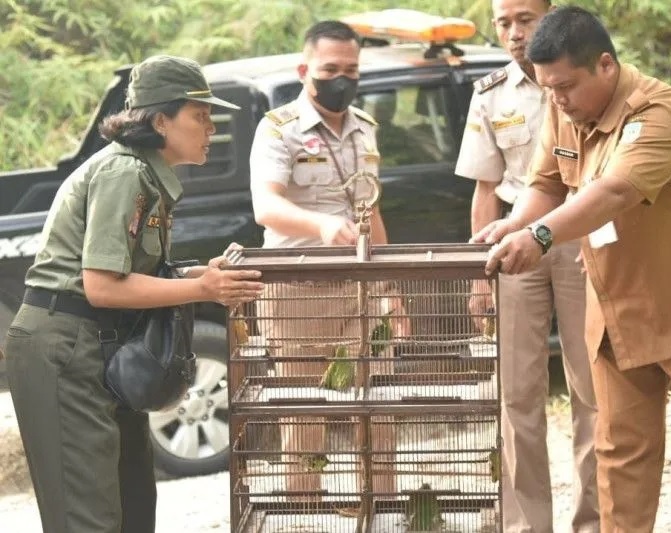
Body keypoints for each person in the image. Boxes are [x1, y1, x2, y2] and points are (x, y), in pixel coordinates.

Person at [475, 6, 671, 532]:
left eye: (565, 86)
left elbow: (616, 190)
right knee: (619, 458)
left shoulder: (660, 111)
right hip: (617, 314)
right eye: (547, 88)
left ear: (605, 65)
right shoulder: (564, 107)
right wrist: (513, 224)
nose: (556, 99)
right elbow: (546, 182)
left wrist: (539, 235)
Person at [3, 55, 265, 533]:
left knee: (133, 509)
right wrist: (199, 286)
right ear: (160, 119)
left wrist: (196, 276)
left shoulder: (148, 173)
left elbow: (129, 272)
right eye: (200, 116)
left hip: (101, 346)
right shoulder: (123, 172)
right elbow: (102, 286)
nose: (211, 127)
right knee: (89, 520)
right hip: (64, 348)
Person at [455, 1, 599, 531]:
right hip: (517, 246)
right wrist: (480, 270)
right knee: (516, 393)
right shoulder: (490, 94)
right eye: (505, 23)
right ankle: (525, 525)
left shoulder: (585, 72)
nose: (515, 33)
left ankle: (595, 522)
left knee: (594, 388)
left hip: (585, 237)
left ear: (551, 14)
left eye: (527, 19)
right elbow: (485, 188)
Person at [249, 20, 397, 499]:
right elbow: (266, 207)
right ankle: (305, 509)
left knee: (377, 406)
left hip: (361, 288)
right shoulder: (278, 129)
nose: (342, 79)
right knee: (303, 413)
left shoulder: (366, 130)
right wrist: (322, 227)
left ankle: (379, 506)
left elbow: (370, 208)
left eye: (351, 69)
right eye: (330, 68)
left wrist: (391, 286)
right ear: (304, 69)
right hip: (297, 292)